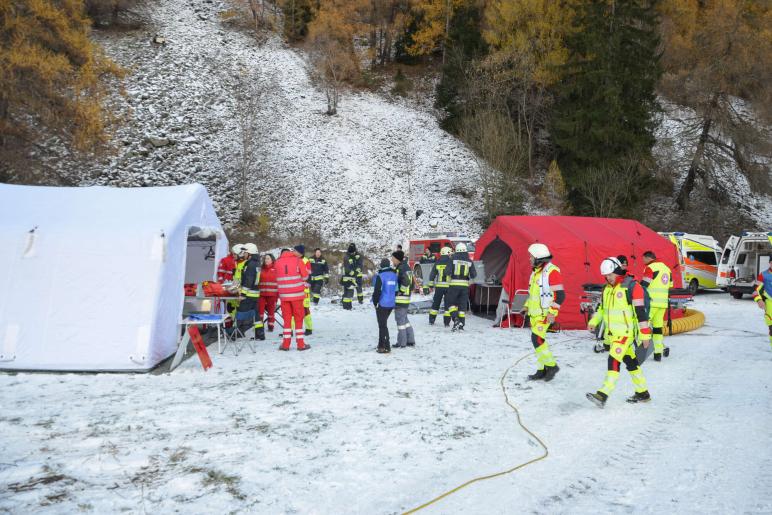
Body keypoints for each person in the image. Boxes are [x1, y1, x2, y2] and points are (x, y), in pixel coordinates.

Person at [586, 257, 652, 407]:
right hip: (613, 335)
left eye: (610, 275)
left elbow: (641, 313)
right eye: (606, 276)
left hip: (625, 334)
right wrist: (593, 322)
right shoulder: (607, 289)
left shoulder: (632, 287)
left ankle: (602, 394)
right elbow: (602, 310)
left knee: (613, 360)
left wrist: (645, 335)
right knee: (631, 362)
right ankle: (643, 393)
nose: (607, 278)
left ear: (617, 271)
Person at [523, 243, 563, 381]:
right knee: (539, 342)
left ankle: (552, 366)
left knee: (537, 339)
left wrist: (552, 312)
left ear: (539, 258)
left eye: (531, 257)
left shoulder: (552, 272)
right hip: (534, 314)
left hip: (545, 315)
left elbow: (560, 295)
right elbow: (532, 293)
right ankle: (541, 369)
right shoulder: (535, 272)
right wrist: (527, 306)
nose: (529, 259)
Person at [275, 248, 310, 351]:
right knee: (298, 319)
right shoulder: (298, 261)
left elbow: (275, 278)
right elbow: (305, 277)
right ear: (292, 253)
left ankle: (285, 344)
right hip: (297, 295)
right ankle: (300, 344)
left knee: (287, 320)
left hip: (284, 296)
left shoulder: (277, 262)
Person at [642, 250, 673, 361]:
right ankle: (658, 353)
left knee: (643, 326)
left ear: (648, 258)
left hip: (651, 303)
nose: (643, 261)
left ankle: (640, 352)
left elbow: (644, 285)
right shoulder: (667, 269)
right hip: (662, 304)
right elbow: (670, 284)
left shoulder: (650, 268)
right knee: (658, 329)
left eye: (643, 259)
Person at [446, 242, 477, 332]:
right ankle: (461, 325)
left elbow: (447, 272)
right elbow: (474, 275)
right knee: (462, 307)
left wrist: (449, 279)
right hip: (465, 287)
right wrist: (469, 282)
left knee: (450, 304)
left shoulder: (453, 259)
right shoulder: (469, 261)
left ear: (456, 250)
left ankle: (455, 319)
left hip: (454, 285)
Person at [372, 258, 398, 353]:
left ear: (381, 266)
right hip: (391, 304)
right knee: (382, 324)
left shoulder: (380, 276)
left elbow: (377, 291)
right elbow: (396, 290)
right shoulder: (394, 275)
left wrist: (375, 302)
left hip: (382, 303)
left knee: (382, 325)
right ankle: (380, 345)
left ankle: (386, 346)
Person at [392, 250, 416, 347]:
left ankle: (402, 342)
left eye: (393, 258)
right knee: (405, 320)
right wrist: (408, 292)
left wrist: (401, 291)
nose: (392, 260)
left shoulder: (401, 268)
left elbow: (405, 281)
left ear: (397, 259)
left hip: (400, 298)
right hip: (406, 297)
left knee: (400, 321)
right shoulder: (407, 267)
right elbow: (412, 283)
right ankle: (410, 340)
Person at [236, 243, 260, 336]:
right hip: (255, 294)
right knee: (256, 315)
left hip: (248, 295)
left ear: (250, 253)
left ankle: (238, 333)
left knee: (242, 312)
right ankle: (259, 333)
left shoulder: (250, 264)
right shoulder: (257, 263)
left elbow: (249, 280)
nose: (244, 254)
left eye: (245, 252)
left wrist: (242, 295)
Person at [427, 246, 453, 326]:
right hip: (449, 287)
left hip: (439, 287)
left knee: (436, 303)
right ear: (448, 253)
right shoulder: (451, 262)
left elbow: (432, 275)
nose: (451, 255)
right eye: (450, 253)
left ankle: (431, 320)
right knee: (447, 305)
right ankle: (446, 322)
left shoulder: (437, 262)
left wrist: (430, 285)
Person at [255, 253, 278, 340]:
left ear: (272, 259)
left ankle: (270, 326)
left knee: (271, 311)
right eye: (265, 259)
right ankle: (260, 328)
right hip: (261, 294)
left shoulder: (276, 269)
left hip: (272, 294)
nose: (266, 260)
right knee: (260, 311)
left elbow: (279, 282)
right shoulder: (260, 269)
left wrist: (278, 295)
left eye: (268, 258)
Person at [294, 245, 314, 335]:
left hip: (304, 289)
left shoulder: (306, 261)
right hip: (294, 288)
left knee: (305, 309)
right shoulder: (293, 260)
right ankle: (291, 330)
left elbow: (309, 275)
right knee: (293, 309)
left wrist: (305, 285)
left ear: (300, 252)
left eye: (295, 250)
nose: (293, 252)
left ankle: (309, 328)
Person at [753, 259, 772, 350]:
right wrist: (759, 300)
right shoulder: (763, 275)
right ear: (770, 263)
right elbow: (755, 290)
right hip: (769, 305)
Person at [342, 243, 363, 309]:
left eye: (353, 252)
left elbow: (360, 265)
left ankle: (360, 300)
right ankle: (344, 301)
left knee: (359, 289)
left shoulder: (359, 256)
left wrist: (356, 272)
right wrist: (351, 272)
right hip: (349, 276)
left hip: (358, 276)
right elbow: (346, 266)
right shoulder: (346, 257)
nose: (352, 254)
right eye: (351, 253)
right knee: (348, 289)